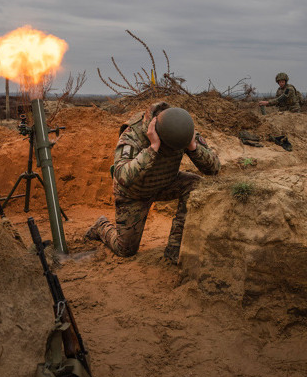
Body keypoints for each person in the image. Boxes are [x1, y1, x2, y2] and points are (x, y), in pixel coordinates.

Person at [85, 102, 220, 264]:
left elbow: (214, 169)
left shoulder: (180, 129)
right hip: (134, 193)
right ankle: (101, 226)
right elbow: (122, 177)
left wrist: (192, 146)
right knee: (125, 250)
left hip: (165, 183)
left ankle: (174, 248)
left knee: (195, 184)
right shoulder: (132, 135)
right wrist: (153, 148)